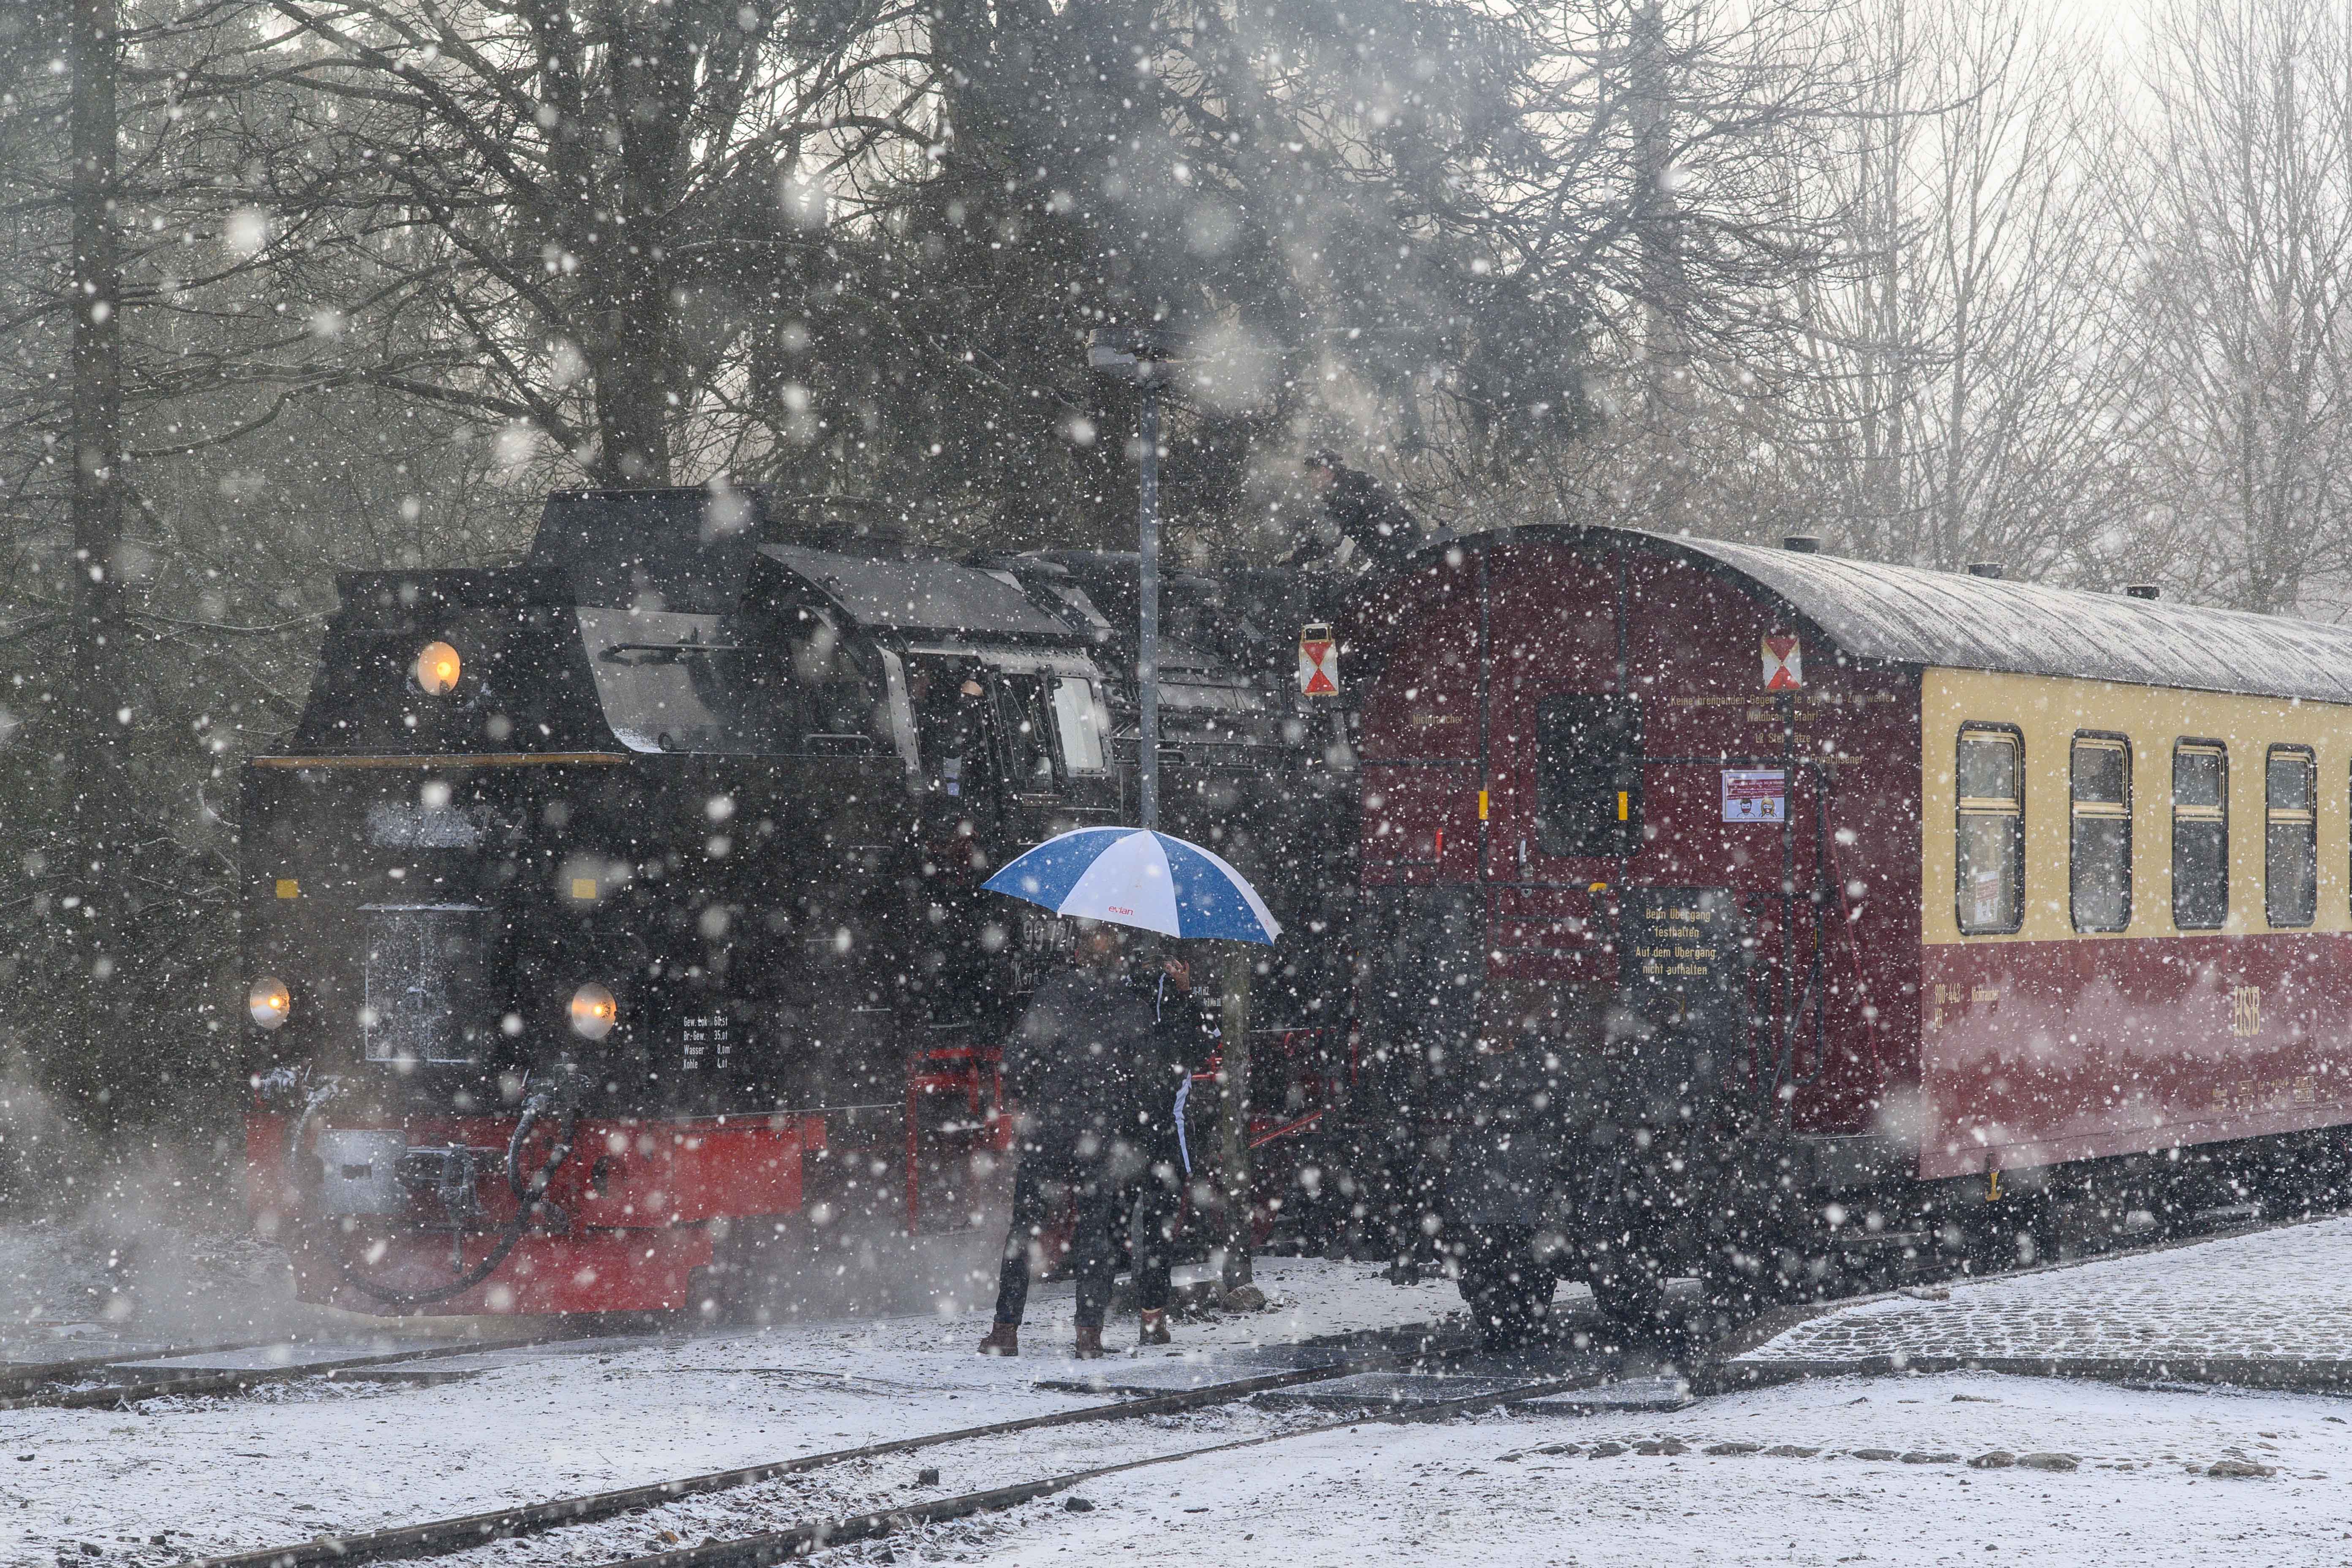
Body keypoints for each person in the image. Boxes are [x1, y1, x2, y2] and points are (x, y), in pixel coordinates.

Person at [977, 921, 1160, 1359]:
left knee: (1025, 1227)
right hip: (1101, 1133)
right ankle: (1088, 1336)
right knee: (1097, 1233)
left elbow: (1017, 1059)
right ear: (1119, 960)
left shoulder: (1054, 996)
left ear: (1078, 956)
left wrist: (1037, 1098)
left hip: (1049, 1129)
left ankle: (1005, 1330)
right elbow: (1149, 1079)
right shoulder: (1133, 1007)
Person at [1129, 947, 1209, 1346]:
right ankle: (1151, 1318)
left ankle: (1088, 1330)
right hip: (1161, 1139)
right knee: (1159, 1231)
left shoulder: (1121, 1010)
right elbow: (1202, 1049)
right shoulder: (1181, 1025)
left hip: (1121, 1136)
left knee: (1109, 1228)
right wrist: (1186, 993)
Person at [1285, 452, 1428, 574]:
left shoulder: (1345, 493)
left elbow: (1327, 537)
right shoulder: (1356, 482)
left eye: (1312, 477)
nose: (1312, 484)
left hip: (1400, 557)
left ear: (1325, 471)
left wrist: (1295, 558)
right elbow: (1373, 526)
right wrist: (1353, 563)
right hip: (1410, 549)